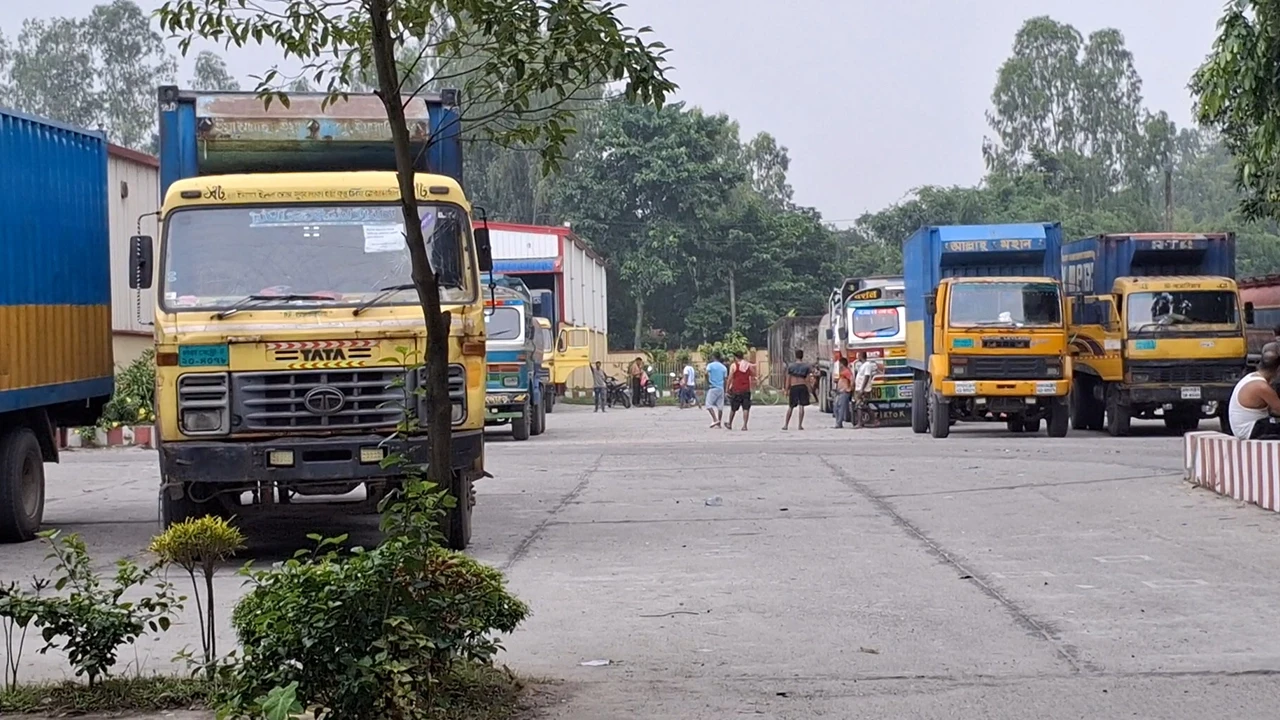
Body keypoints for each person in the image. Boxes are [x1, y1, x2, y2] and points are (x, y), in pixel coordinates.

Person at [1228, 343, 1280, 440]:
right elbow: (1278, 409)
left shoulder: (1251, 377)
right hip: (1250, 429)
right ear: (1277, 369)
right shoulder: (1261, 387)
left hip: (1245, 427)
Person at [782, 349, 814, 431]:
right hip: (802, 386)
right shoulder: (806, 367)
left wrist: (786, 389)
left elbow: (788, 378)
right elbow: (807, 379)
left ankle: (786, 425)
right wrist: (809, 388)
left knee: (791, 407)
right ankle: (800, 425)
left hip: (794, 386)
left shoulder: (791, 366)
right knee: (801, 406)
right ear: (802, 356)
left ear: (795, 356)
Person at [726, 351, 754, 431]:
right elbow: (753, 373)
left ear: (735, 357)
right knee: (746, 408)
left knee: (733, 408)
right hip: (746, 389)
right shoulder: (747, 365)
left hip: (737, 389)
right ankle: (745, 425)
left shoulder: (734, 365)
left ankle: (730, 424)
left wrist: (727, 388)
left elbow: (730, 378)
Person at [853, 351, 880, 428]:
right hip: (859, 388)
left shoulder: (867, 365)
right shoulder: (862, 365)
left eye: (859, 355)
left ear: (862, 356)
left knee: (860, 405)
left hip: (864, 389)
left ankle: (860, 423)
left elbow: (866, 376)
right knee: (863, 406)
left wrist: (862, 388)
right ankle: (873, 420)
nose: (858, 357)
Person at [704, 353, 728, 428]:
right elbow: (725, 379)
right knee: (720, 406)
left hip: (713, 387)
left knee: (708, 405)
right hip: (721, 388)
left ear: (713, 357)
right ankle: (719, 423)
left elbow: (706, 373)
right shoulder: (723, 367)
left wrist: (708, 380)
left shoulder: (710, 365)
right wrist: (725, 389)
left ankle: (715, 419)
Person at [833, 357, 854, 429]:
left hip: (844, 392)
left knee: (841, 408)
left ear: (842, 364)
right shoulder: (841, 372)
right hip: (839, 392)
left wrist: (850, 388)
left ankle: (839, 423)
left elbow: (851, 379)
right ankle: (838, 422)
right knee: (836, 407)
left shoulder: (847, 371)